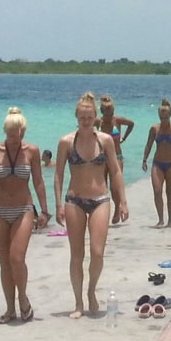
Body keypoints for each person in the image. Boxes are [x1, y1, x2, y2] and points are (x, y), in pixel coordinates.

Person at [0, 107, 49, 323]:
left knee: (17, 257)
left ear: (23, 132)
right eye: (10, 135)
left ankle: (23, 299)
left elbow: (38, 181)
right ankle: (9, 309)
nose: (14, 139)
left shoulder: (32, 151)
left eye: (17, 135)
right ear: (5, 132)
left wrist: (44, 210)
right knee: (4, 262)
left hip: (23, 209)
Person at [55, 92, 128, 319]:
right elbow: (58, 174)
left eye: (89, 118)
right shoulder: (66, 142)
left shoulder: (105, 141)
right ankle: (78, 302)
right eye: (82, 118)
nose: (85, 121)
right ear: (76, 118)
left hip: (100, 200)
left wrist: (122, 201)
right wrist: (57, 204)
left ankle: (91, 290)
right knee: (76, 254)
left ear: (95, 117)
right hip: (74, 201)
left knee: (97, 253)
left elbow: (115, 171)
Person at [141, 98, 171, 228]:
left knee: (170, 192)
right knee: (157, 191)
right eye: (161, 118)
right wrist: (144, 159)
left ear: (170, 115)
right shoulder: (154, 129)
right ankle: (161, 219)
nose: (163, 120)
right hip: (157, 164)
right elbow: (149, 145)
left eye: (166, 118)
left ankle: (170, 220)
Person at [96, 94, 135, 223]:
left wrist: (124, 138)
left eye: (111, 113)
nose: (109, 116)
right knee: (102, 187)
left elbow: (131, 124)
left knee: (114, 187)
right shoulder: (98, 122)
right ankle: (101, 212)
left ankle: (117, 208)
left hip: (116, 155)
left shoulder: (117, 120)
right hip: (102, 157)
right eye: (106, 113)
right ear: (102, 112)